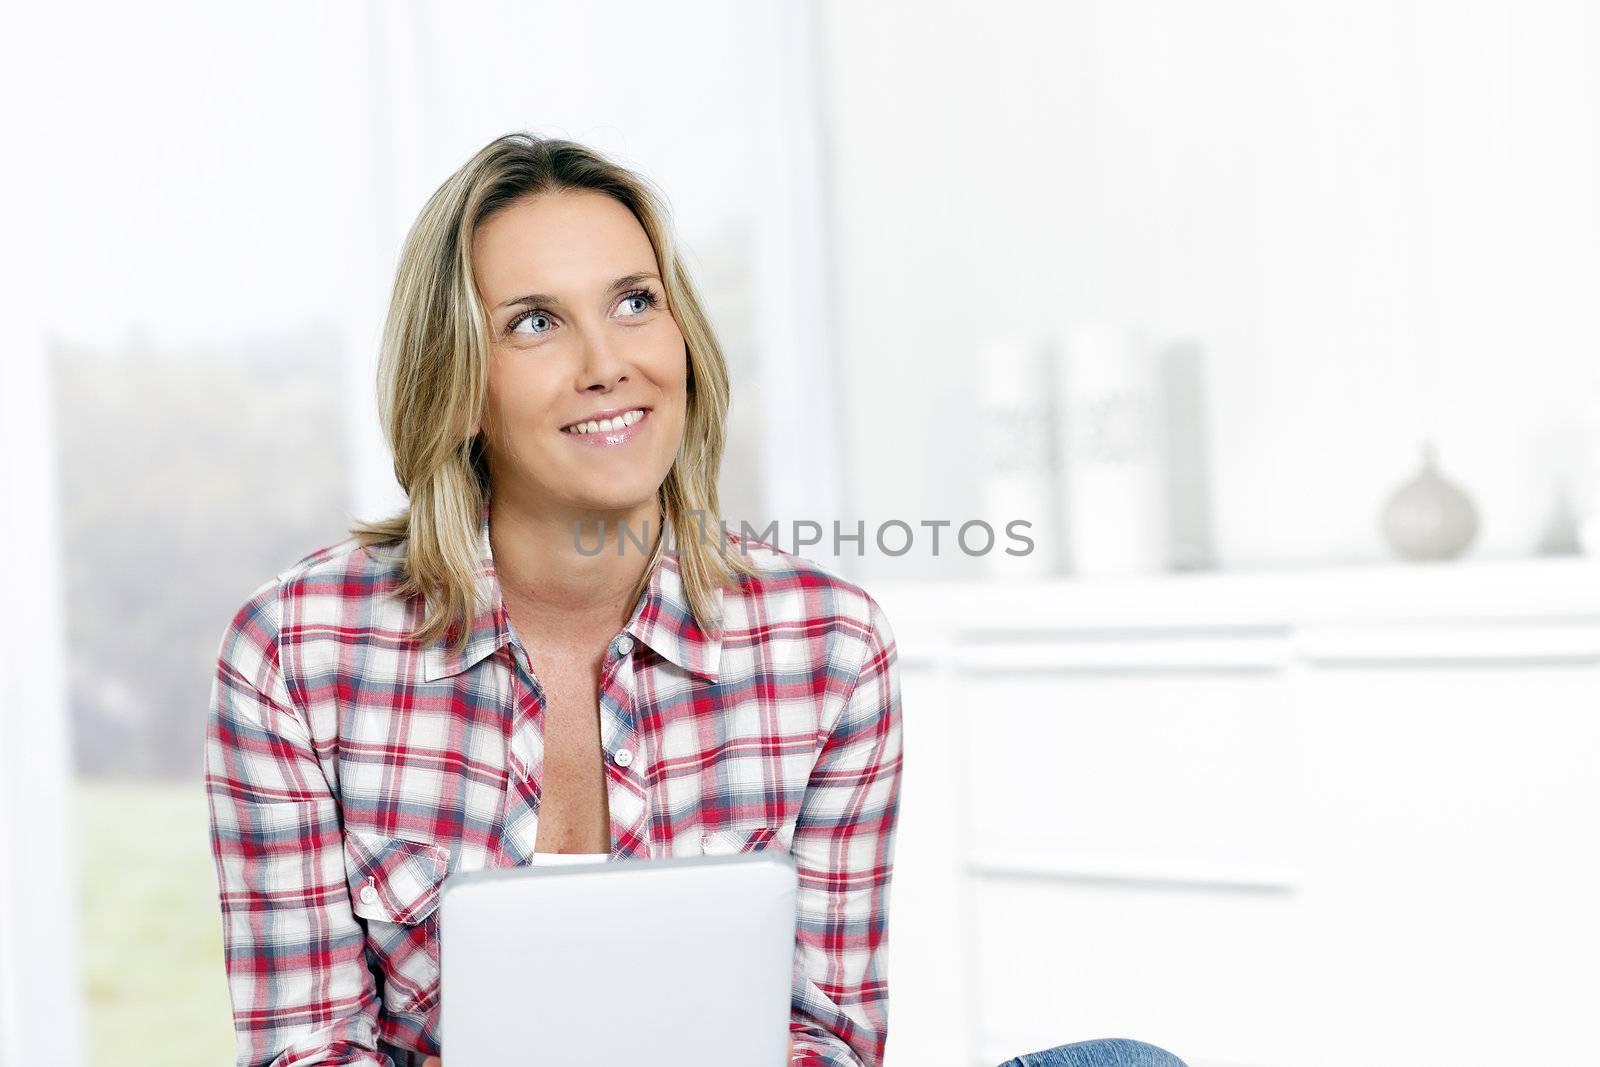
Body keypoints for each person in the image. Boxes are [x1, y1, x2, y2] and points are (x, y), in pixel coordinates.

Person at [203, 131, 1188, 1067]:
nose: (607, 362)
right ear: (455, 384)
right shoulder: (298, 654)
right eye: (536, 322)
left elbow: (825, 1031)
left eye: (634, 302)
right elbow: (309, 1045)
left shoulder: (828, 649)